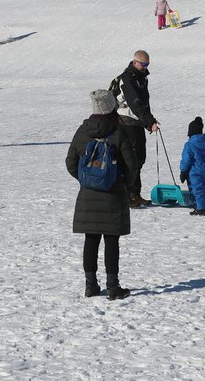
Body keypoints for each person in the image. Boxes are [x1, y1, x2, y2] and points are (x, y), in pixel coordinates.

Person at [66, 89, 138, 300]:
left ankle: (90, 285)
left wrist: (86, 180)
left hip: (88, 195)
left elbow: (70, 162)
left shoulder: (82, 131)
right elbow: (132, 165)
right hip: (113, 194)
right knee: (111, 241)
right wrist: (122, 184)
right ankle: (113, 286)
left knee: (91, 239)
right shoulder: (118, 131)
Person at [109, 50, 160, 208]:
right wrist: (148, 121)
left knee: (139, 159)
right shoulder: (127, 79)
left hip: (136, 122)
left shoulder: (141, 78)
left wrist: (149, 119)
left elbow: (144, 102)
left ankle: (135, 194)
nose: (145, 67)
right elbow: (135, 103)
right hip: (126, 122)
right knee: (130, 161)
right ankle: (127, 195)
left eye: (147, 64)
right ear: (135, 62)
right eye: (143, 64)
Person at [179, 116, 205, 216]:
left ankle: (201, 208)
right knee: (201, 188)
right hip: (203, 170)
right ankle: (199, 206)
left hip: (193, 172)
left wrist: (183, 171)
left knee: (196, 189)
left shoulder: (189, 145)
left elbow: (186, 160)